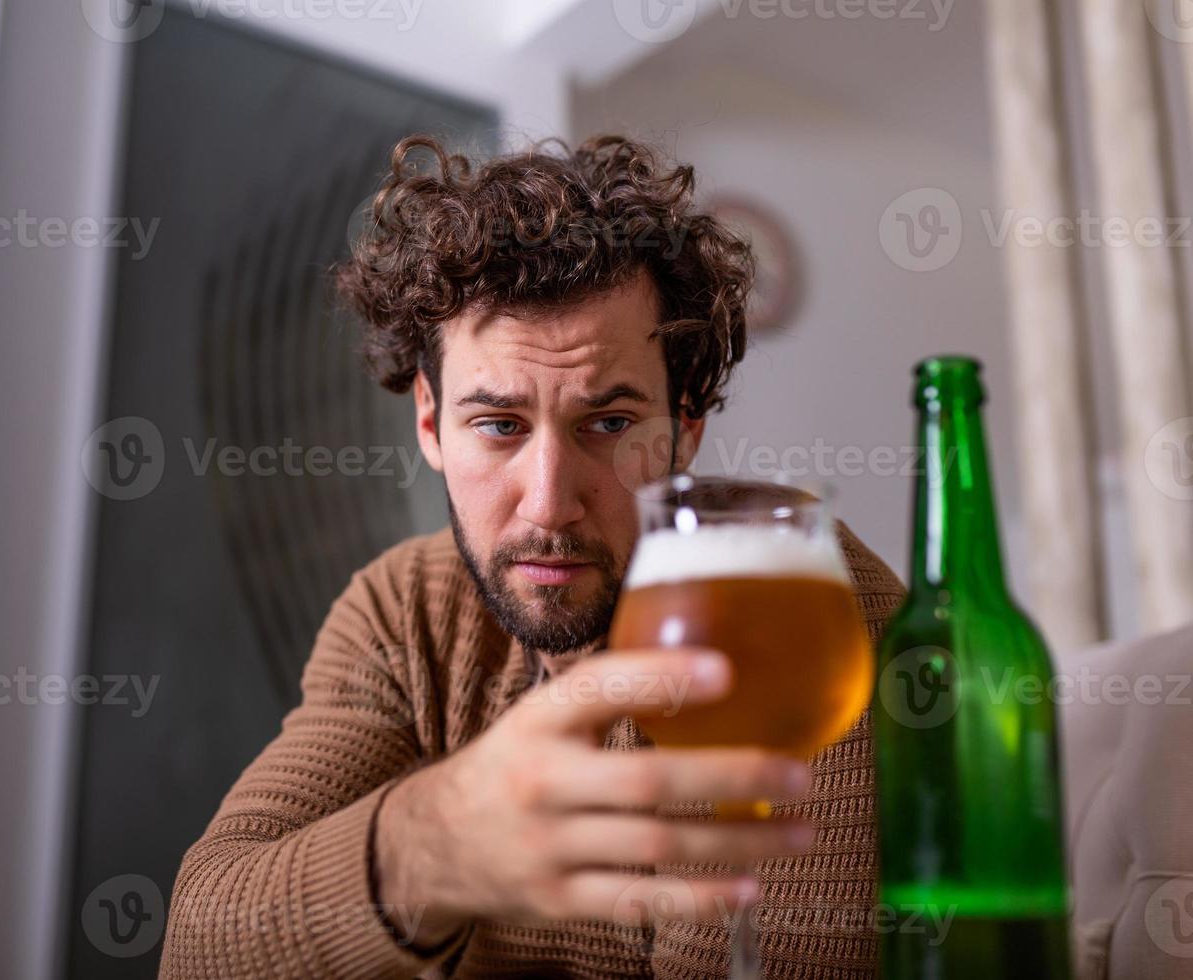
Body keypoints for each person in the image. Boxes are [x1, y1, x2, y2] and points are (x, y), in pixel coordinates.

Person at [158, 134, 904, 979]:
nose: (549, 502)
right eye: (499, 426)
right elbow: (198, 948)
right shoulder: (404, 611)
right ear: (431, 424)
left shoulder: (797, 608)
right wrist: (435, 843)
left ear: (684, 428)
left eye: (610, 423)